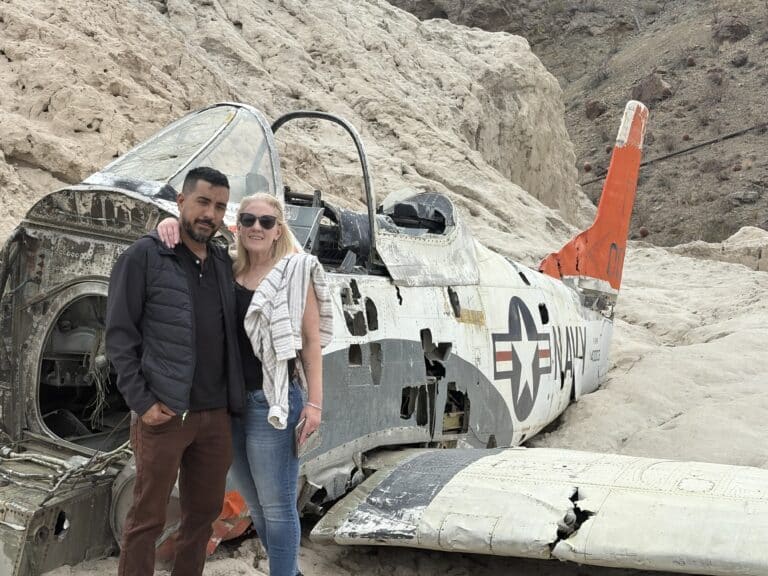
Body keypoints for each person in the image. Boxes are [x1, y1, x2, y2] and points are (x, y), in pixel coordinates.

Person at [157, 192, 331, 576]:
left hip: (272, 401)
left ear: (278, 230)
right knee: (257, 507)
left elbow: (312, 342)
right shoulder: (228, 269)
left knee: (278, 506)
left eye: (266, 222)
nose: (256, 227)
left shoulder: (294, 273)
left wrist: (315, 404)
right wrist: (169, 224)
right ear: (238, 226)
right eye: (249, 220)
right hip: (230, 404)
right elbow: (188, 247)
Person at [106, 166, 245, 576]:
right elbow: (119, 336)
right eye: (202, 202)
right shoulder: (144, 257)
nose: (210, 214)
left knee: (202, 517)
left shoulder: (221, 262)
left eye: (219, 206)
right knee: (146, 519)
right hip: (164, 413)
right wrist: (143, 402)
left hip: (215, 415)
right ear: (181, 202)